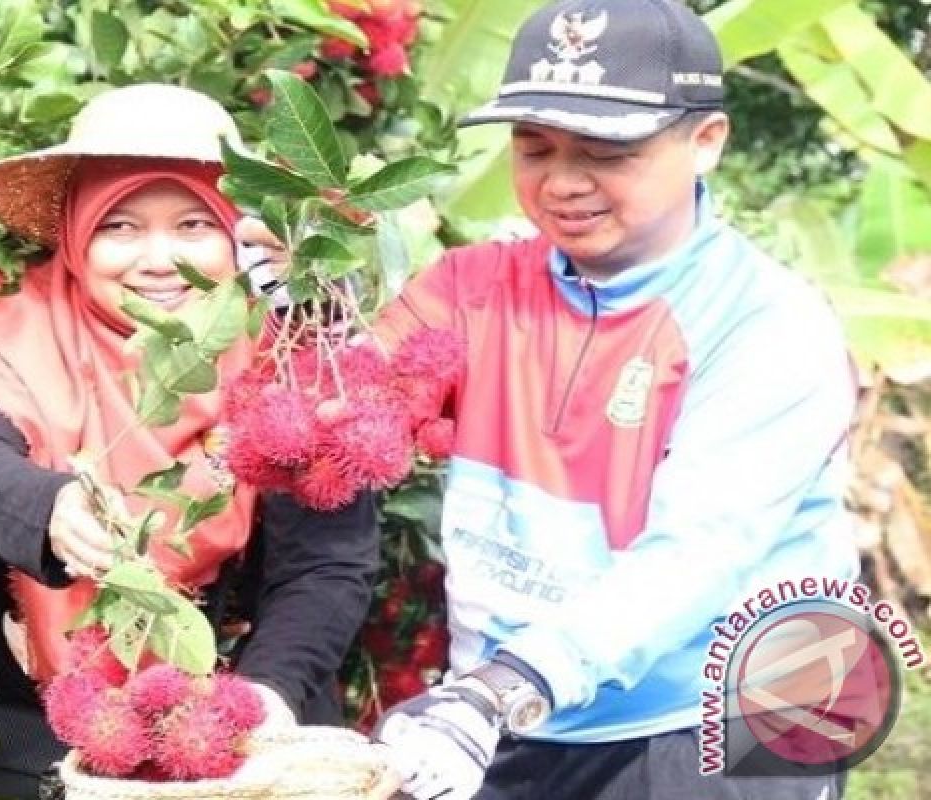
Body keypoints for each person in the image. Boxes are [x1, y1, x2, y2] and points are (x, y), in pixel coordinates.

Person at [241, 0, 859, 797]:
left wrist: (498, 689)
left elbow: (699, 556)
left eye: (607, 152)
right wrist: (302, 313)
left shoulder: (770, 327)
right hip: (517, 703)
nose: (562, 183)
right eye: (534, 148)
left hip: (723, 717)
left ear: (706, 141)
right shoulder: (474, 287)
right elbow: (354, 407)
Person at [0, 84, 384, 798]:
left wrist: (262, 702)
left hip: (243, 743)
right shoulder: (9, 334)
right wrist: (48, 510)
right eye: (120, 226)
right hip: (25, 743)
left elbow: (328, 564)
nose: (160, 260)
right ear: (77, 232)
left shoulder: (295, 358)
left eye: (196, 223)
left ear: (237, 230)